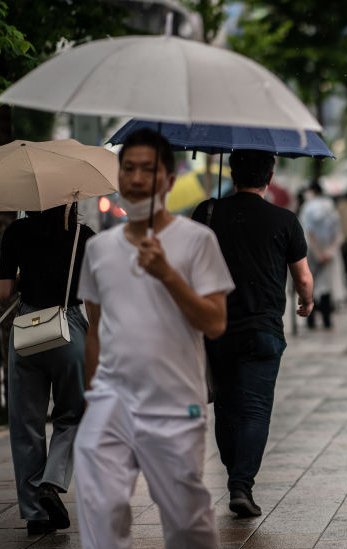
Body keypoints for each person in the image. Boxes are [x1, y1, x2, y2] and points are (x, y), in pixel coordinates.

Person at [74, 128, 234, 548]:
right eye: (128, 168)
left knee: (186, 524)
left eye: (148, 169)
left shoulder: (198, 242)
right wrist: (93, 396)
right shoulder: (100, 249)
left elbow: (215, 322)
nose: (137, 178)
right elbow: (96, 328)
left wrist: (167, 275)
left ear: (168, 178)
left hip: (174, 404)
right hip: (111, 401)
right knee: (100, 508)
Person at [190, 149, 314, 517]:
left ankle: (234, 472)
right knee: (256, 409)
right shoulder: (284, 220)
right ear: (270, 174)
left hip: (216, 326)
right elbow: (303, 277)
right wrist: (306, 302)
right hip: (263, 329)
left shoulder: (207, 212)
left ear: (232, 171)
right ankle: (241, 483)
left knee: (226, 405)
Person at [0, 204, 94, 536]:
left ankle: (35, 513)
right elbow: (91, 297)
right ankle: (52, 482)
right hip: (67, 328)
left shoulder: (15, 233)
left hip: (27, 328)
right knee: (73, 413)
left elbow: (4, 291)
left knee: (25, 422)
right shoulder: (84, 238)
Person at [297, 182, 340, 330]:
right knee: (326, 285)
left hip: (311, 250)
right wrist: (329, 251)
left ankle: (311, 321)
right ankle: (327, 320)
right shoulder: (330, 206)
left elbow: (308, 232)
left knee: (311, 283)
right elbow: (337, 232)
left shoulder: (307, 207)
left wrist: (317, 253)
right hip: (327, 249)